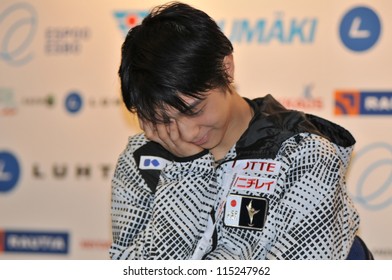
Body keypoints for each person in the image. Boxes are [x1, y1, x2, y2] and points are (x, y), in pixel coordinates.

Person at [109, 1, 372, 260]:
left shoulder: (303, 152)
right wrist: (186, 169)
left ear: (226, 68)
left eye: (194, 110)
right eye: (163, 120)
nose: (186, 133)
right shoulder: (141, 158)